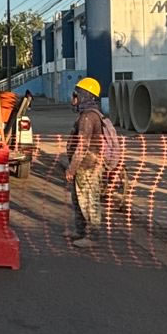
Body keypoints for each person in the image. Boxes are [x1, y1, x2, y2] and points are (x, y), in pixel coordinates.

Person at [65, 77, 106, 248]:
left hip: (89, 167)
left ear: (84, 96)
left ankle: (93, 237)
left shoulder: (88, 118)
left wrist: (71, 168)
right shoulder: (87, 115)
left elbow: (82, 146)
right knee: (79, 200)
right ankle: (80, 231)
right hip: (85, 166)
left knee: (90, 201)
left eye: (76, 95)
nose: (73, 99)